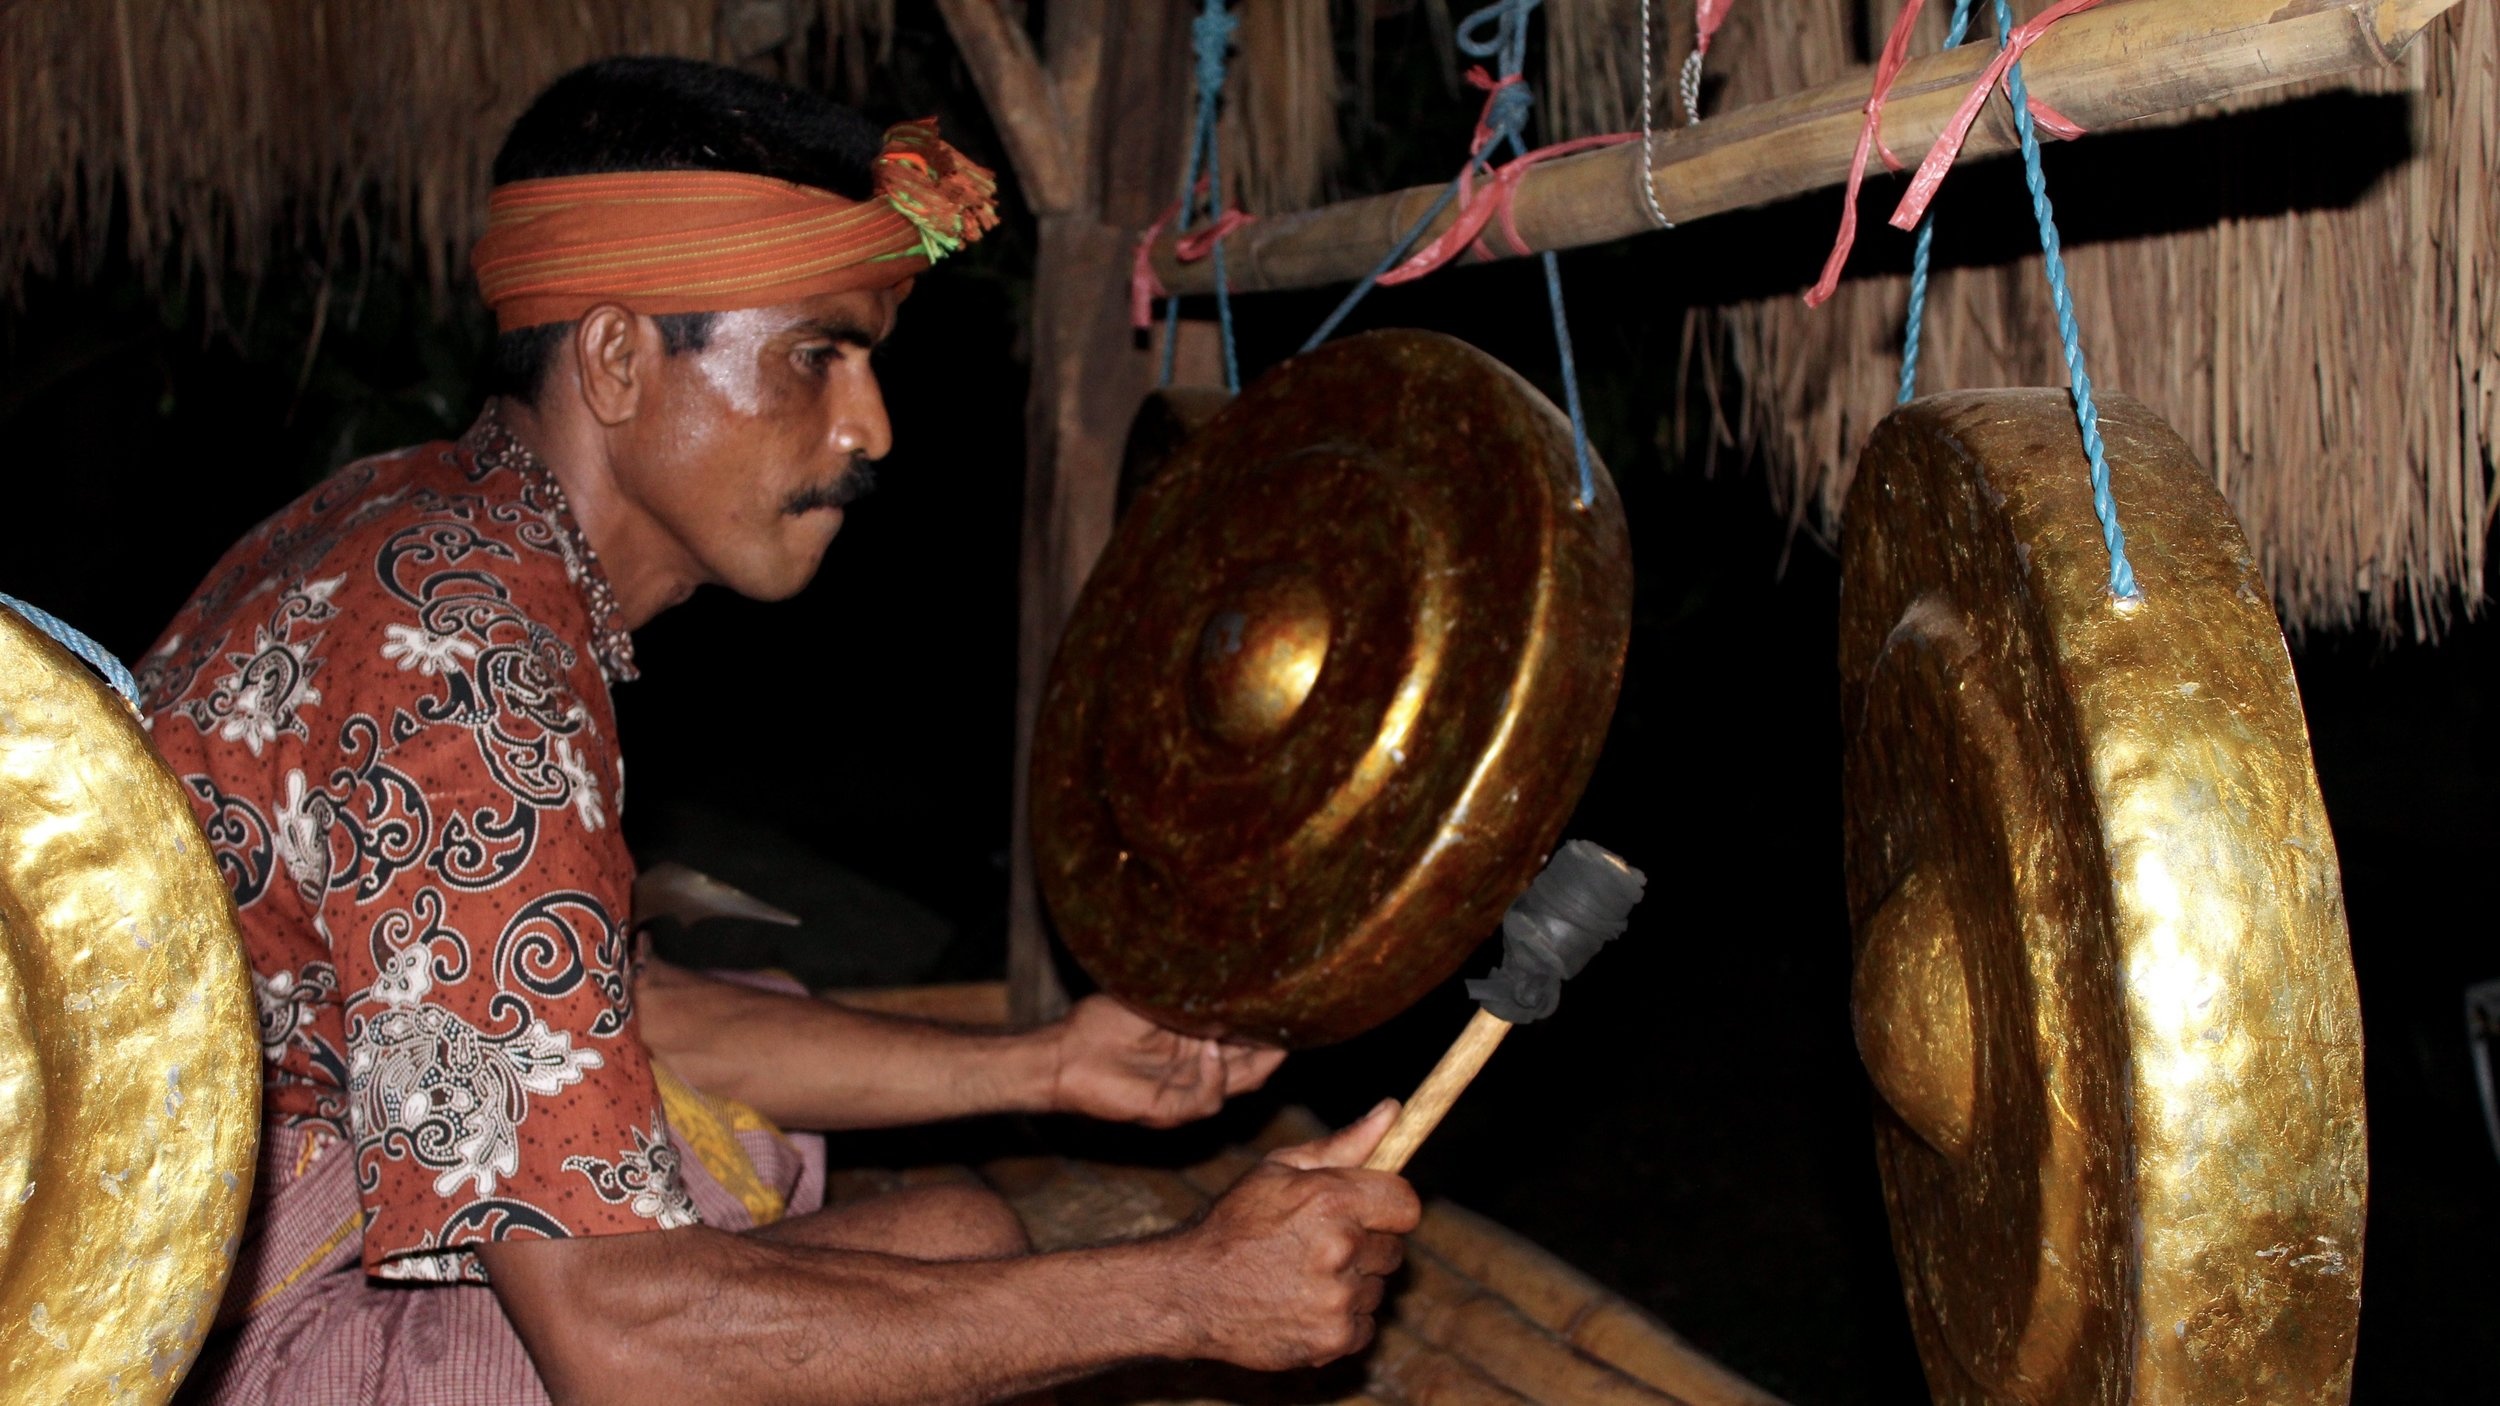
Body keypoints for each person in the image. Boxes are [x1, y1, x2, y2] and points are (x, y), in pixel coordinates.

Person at [142, 56, 1418, 1406]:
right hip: (203, 1337)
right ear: (620, 357)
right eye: (818, 354)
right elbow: (624, 1348)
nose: (872, 425)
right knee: (901, 1275)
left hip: (259, 1229)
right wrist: (1193, 1290)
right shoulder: (461, 661)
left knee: (942, 1225)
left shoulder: (423, 523)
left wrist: (1050, 1063)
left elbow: (599, 1021)